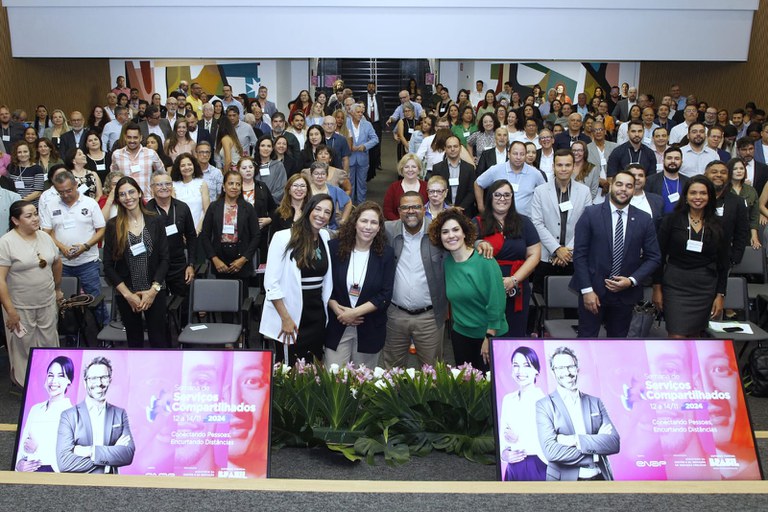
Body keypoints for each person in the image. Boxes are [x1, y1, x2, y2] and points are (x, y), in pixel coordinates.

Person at [570, 170, 661, 337]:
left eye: (629, 186)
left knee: (617, 345)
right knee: (586, 341)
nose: (623, 189)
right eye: (619, 184)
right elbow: (580, 255)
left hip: (625, 295)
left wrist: (632, 280)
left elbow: (654, 257)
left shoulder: (643, 219)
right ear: (611, 186)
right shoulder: (591, 214)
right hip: (593, 292)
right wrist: (587, 290)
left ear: (634, 190)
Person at [428, 208, 506, 371]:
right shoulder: (447, 262)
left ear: (465, 232)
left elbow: (496, 302)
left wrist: (489, 337)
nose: (451, 235)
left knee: (489, 389)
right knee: (466, 387)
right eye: (445, 232)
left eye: (456, 230)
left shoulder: (485, 260)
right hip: (461, 335)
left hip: (488, 334)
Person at [260, 194, 334, 365]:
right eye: (318, 209)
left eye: (327, 212)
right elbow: (271, 283)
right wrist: (285, 318)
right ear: (309, 209)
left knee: (313, 367)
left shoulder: (325, 236)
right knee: (289, 370)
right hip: (291, 315)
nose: (321, 215)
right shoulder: (283, 237)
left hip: (316, 314)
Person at [652, 176, 729, 337]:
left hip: (704, 287)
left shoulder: (718, 224)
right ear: (686, 196)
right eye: (693, 193)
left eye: (703, 193)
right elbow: (658, 256)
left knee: (694, 336)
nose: (698, 197)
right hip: (675, 285)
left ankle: (689, 364)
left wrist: (720, 295)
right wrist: (657, 288)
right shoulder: (671, 220)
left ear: (709, 197)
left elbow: (723, 263)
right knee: (677, 335)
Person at [0, 200, 62, 387]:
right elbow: (0, 280)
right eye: (29, 216)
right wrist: (10, 311)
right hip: (19, 306)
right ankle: (27, 384)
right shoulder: (6, 243)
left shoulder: (44, 237)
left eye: (36, 213)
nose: (35, 218)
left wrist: (57, 289)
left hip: (47, 302)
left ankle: (51, 382)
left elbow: (57, 262)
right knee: (24, 347)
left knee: (49, 342)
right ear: (15, 220)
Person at [102, 176, 170, 348]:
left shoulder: (156, 220)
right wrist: (128, 295)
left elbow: (165, 259)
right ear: (118, 199)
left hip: (153, 291)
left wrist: (153, 291)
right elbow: (108, 267)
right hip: (127, 293)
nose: (128, 197)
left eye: (131, 192)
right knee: (134, 341)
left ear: (139, 193)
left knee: (158, 339)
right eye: (122, 194)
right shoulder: (113, 225)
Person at [535, 346, 620, 481]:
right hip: (565, 480)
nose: (567, 372)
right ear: (553, 372)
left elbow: (614, 443)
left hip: (601, 477)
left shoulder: (595, 402)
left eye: (570, 366)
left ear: (577, 369)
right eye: (560, 368)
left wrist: (575, 440)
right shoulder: (544, 405)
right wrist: (595, 452)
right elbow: (551, 452)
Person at [325, 202, 395, 367]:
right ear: (355, 222)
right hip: (338, 323)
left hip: (369, 327)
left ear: (379, 228)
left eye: (374, 222)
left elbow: (385, 294)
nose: (368, 227)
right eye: (364, 221)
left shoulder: (386, 254)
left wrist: (354, 313)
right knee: (334, 381)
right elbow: (325, 285)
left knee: (363, 384)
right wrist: (338, 310)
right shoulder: (334, 248)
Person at [474, 180, 541, 337]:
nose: (502, 199)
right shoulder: (478, 223)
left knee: (514, 335)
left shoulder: (524, 222)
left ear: (512, 198)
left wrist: (514, 280)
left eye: (506, 195)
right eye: (497, 194)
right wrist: (479, 242)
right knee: (487, 338)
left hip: (517, 287)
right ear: (490, 197)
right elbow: (468, 249)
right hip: (486, 289)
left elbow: (535, 254)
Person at [41, 171, 107, 325]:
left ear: (76, 185)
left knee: (95, 299)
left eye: (68, 190)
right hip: (61, 263)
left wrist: (85, 246)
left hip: (88, 262)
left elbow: (101, 230)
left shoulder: (90, 203)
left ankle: (104, 331)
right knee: (65, 303)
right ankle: (71, 335)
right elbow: (46, 232)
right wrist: (62, 247)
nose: (65, 195)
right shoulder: (50, 205)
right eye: (61, 192)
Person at [56, 356, 135, 473]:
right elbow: (64, 463)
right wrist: (111, 455)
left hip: (110, 484)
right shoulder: (69, 415)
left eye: (104, 377)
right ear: (85, 382)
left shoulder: (119, 414)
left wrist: (90, 451)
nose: (99, 383)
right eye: (93, 378)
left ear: (110, 380)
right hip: (78, 485)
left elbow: (127, 455)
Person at [531, 150, 592, 292]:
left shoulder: (584, 191)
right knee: (541, 303)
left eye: (567, 165)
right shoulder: (540, 191)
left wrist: (567, 252)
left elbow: (586, 225)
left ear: (573, 167)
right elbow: (537, 223)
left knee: (572, 307)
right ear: (553, 167)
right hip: (547, 257)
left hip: (574, 258)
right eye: (559, 165)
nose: (563, 169)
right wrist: (557, 249)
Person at [146, 172, 196, 321]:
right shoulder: (145, 211)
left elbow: (192, 237)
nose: (164, 187)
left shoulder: (182, 207)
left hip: (179, 264)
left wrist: (191, 264)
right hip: (155, 266)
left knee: (183, 302)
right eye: (159, 184)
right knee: (158, 306)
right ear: (152, 188)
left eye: (167, 183)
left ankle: (184, 333)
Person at [200, 170, 260, 294]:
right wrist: (214, 259)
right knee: (222, 301)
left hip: (242, 262)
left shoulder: (248, 208)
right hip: (219, 261)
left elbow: (256, 236)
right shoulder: (214, 207)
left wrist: (243, 259)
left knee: (241, 303)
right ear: (224, 186)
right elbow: (205, 235)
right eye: (231, 183)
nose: (234, 187)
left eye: (238, 184)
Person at [15, 355, 75, 472]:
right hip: (26, 472)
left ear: (69, 381)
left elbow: (69, 457)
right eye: (50, 375)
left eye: (61, 376)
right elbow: (22, 443)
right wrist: (19, 464)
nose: (53, 381)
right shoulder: (35, 409)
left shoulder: (72, 414)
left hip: (52, 475)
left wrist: (37, 449)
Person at [499, 346, 547, 481]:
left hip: (536, 465)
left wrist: (519, 438)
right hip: (512, 466)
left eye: (526, 365)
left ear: (536, 370)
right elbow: (503, 434)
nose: (520, 371)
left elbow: (547, 440)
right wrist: (504, 454)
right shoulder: (508, 400)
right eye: (516, 365)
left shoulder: (543, 401)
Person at [475, 141, 546, 217]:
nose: (518, 157)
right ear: (508, 154)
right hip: (498, 219)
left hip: (525, 220)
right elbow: (478, 184)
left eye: (522, 154)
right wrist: (481, 207)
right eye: (515, 154)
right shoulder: (496, 170)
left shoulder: (535, 173)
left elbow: (545, 193)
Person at [110, 123, 165, 198]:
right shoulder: (116, 155)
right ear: (125, 137)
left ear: (141, 138)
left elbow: (162, 174)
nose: (132, 141)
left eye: (135, 137)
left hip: (147, 199)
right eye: (129, 137)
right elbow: (113, 177)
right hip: (126, 200)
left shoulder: (151, 153)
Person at [347, 103, 379, 204]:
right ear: (351, 112)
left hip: (363, 158)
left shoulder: (367, 124)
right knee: (349, 185)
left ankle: (361, 206)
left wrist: (365, 146)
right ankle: (349, 206)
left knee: (362, 185)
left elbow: (375, 139)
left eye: (362, 112)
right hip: (349, 158)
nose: (360, 114)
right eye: (358, 112)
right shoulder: (345, 123)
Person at [170, 152, 210, 233]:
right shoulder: (173, 185)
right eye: (183, 165)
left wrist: (198, 230)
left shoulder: (202, 183)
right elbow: (173, 212)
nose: (187, 167)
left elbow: (207, 210)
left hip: (200, 230)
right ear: (178, 168)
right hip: (180, 232)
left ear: (194, 166)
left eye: (189, 164)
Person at [307, 161, 351, 231]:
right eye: (316, 174)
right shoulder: (306, 190)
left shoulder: (334, 190)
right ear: (311, 176)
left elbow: (348, 202)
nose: (319, 176)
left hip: (330, 228)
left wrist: (343, 220)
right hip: (308, 228)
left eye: (323, 174)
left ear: (327, 176)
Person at [383, 153, 428, 220]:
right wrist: (400, 223)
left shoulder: (426, 187)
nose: (410, 170)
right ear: (402, 169)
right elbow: (387, 211)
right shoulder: (394, 187)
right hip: (398, 226)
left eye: (414, 167)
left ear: (419, 169)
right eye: (406, 167)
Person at [253, 135, 288, 203]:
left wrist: (268, 200)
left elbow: (282, 188)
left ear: (272, 149)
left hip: (273, 205)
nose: (266, 149)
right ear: (258, 147)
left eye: (269, 146)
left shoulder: (278, 166)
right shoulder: (252, 165)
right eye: (263, 145)